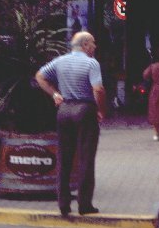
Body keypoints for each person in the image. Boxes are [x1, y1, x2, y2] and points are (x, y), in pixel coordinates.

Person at [35, 31, 107, 217]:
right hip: (85, 110)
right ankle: (85, 205)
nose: (95, 46)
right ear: (84, 45)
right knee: (86, 157)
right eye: (93, 43)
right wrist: (100, 110)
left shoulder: (60, 61)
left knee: (64, 158)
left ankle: (63, 203)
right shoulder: (92, 63)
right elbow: (98, 89)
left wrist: (54, 94)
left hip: (64, 110)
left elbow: (40, 76)